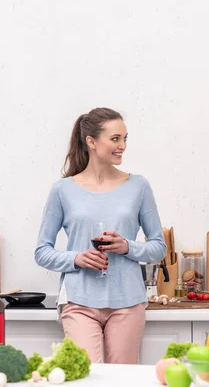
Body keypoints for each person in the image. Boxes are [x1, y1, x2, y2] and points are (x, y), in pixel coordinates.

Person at [35, 107, 166, 364]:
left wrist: (127, 246)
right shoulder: (63, 190)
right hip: (79, 301)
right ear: (91, 142)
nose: (122, 146)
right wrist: (77, 259)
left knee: (122, 380)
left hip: (128, 302)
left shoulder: (138, 186)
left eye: (125, 138)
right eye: (115, 139)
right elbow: (42, 251)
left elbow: (158, 247)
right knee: (89, 378)